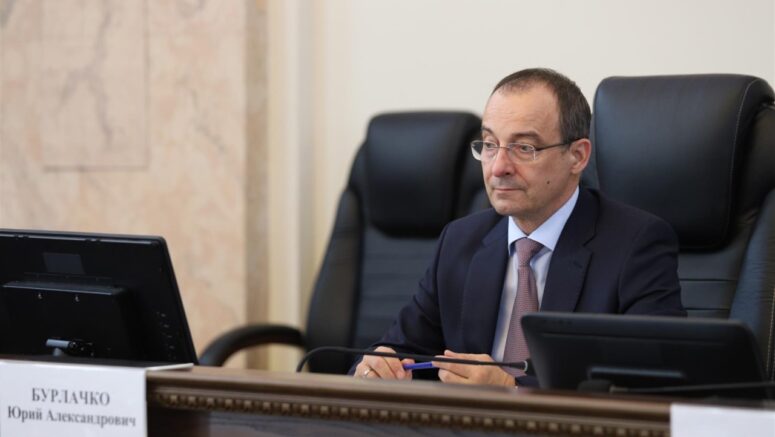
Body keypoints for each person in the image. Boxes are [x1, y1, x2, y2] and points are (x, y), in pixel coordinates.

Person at [352, 68, 685, 387]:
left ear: (577, 156)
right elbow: (399, 349)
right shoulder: (460, 241)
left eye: (524, 148)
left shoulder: (635, 245)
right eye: (489, 145)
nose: (498, 167)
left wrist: (512, 388)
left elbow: (654, 379)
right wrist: (375, 370)